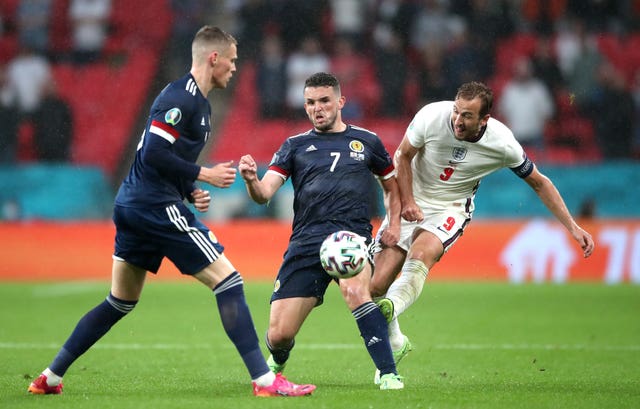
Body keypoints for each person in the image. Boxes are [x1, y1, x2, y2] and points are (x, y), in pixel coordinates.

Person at [27, 25, 315, 398]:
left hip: (135, 203)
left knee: (120, 301)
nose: (235, 67)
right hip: (153, 206)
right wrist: (203, 173)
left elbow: (164, 159)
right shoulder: (183, 99)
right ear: (214, 58)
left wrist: (190, 189)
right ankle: (264, 381)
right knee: (229, 281)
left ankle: (49, 378)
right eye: (232, 60)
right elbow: (152, 154)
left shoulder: (198, 103)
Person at [370, 81, 595, 380]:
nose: (457, 121)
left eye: (467, 116)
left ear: (484, 119)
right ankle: (396, 340)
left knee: (421, 253)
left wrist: (573, 226)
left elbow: (539, 182)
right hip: (411, 198)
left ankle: (393, 307)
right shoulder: (431, 116)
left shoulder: (502, 143)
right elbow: (403, 156)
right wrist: (407, 203)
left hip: (450, 208)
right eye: (456, 112)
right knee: (374, 286)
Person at [238, 72, 405, 390]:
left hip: (349, 238)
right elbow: (264, 194)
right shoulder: (294, 146)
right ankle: (280, 359)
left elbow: (391, 187)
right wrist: (250, 179)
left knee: (355, 292)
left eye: (325, 101)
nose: (318, 108)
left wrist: (393, 223)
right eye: (311, 103)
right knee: (279, 334)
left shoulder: (367, 141)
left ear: (340, 101)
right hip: (305, 241)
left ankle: (388, 373)